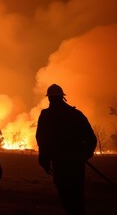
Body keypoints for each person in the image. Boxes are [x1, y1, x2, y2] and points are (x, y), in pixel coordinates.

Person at [36, 84, 97, 215]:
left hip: (60, 163)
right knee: (77, 195)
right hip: (77, 164)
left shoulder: (46, 115)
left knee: (66, 195)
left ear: (49, 99)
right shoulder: (76, 114)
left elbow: (41, 138)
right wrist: (84, 155)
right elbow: (91, 138)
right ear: (62, 97)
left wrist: (44, 159)